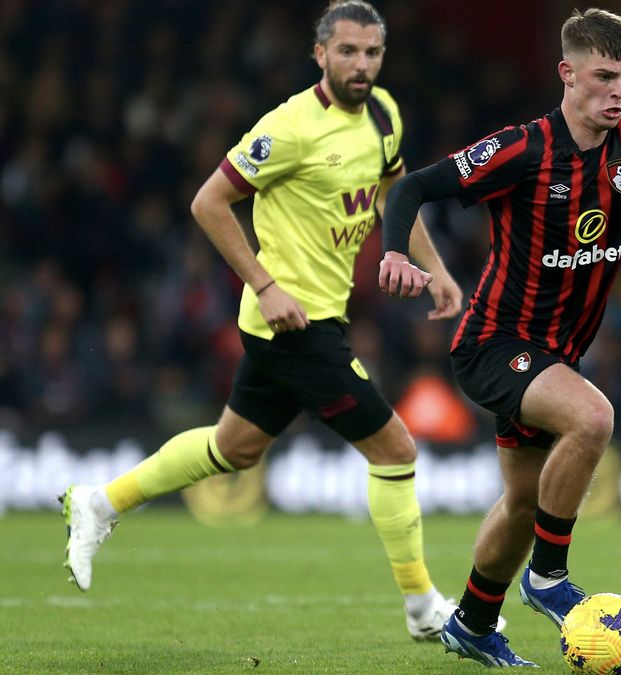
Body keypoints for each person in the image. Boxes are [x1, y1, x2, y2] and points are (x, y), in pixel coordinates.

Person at [58, 0, 481, 642]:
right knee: (395, 449)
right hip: (293, 324)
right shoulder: (289, 127)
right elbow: (209, 201)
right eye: (347, 51)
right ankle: (423, 607)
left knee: (234, 448)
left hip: (320, 317)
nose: (360, 63)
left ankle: (98, 503)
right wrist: (266, 282)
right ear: (320, 54)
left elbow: (396, 192)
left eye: (371, 52)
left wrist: (436, 267)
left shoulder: (385, 117)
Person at [378, 8, 621, 667]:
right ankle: (549, 576)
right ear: (567, 73)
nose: (617, 91)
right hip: (493, 343)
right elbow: (412, 188)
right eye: (603, 75)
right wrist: (397, 254)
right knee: (593, 417)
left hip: (555, 353)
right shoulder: (522, 148)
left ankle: (473, 623)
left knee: (523, 500)